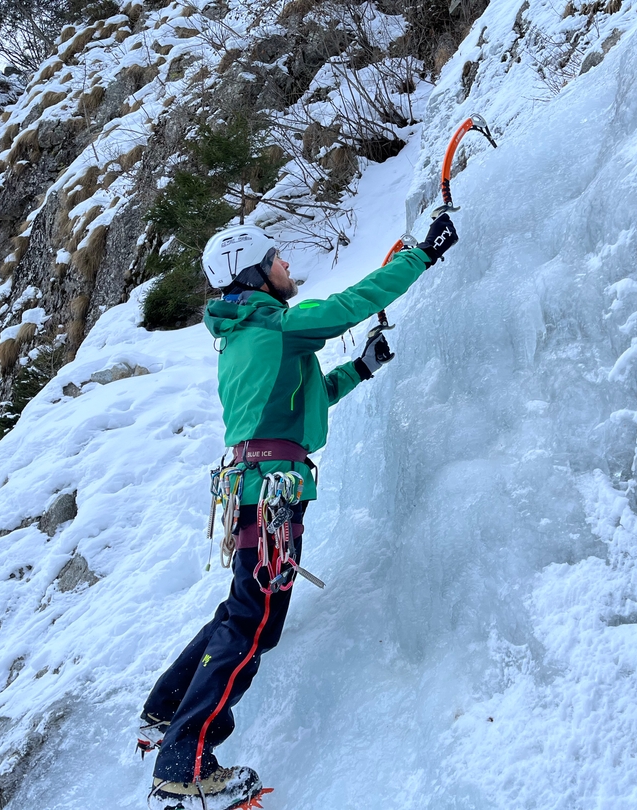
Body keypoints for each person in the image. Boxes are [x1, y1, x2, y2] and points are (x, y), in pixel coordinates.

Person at [140, 213, 459, 810]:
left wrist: (360, 368)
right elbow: (348, 305)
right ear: (255, 274)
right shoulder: (278, 327)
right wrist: (420, 256)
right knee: (253, 624)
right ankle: (184, 763)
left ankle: (165, 710)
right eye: (277, 257)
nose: (287, 264)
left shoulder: (247, 338)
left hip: (257, 488)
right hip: (274, 497)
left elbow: (299, 411)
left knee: (241, 612)